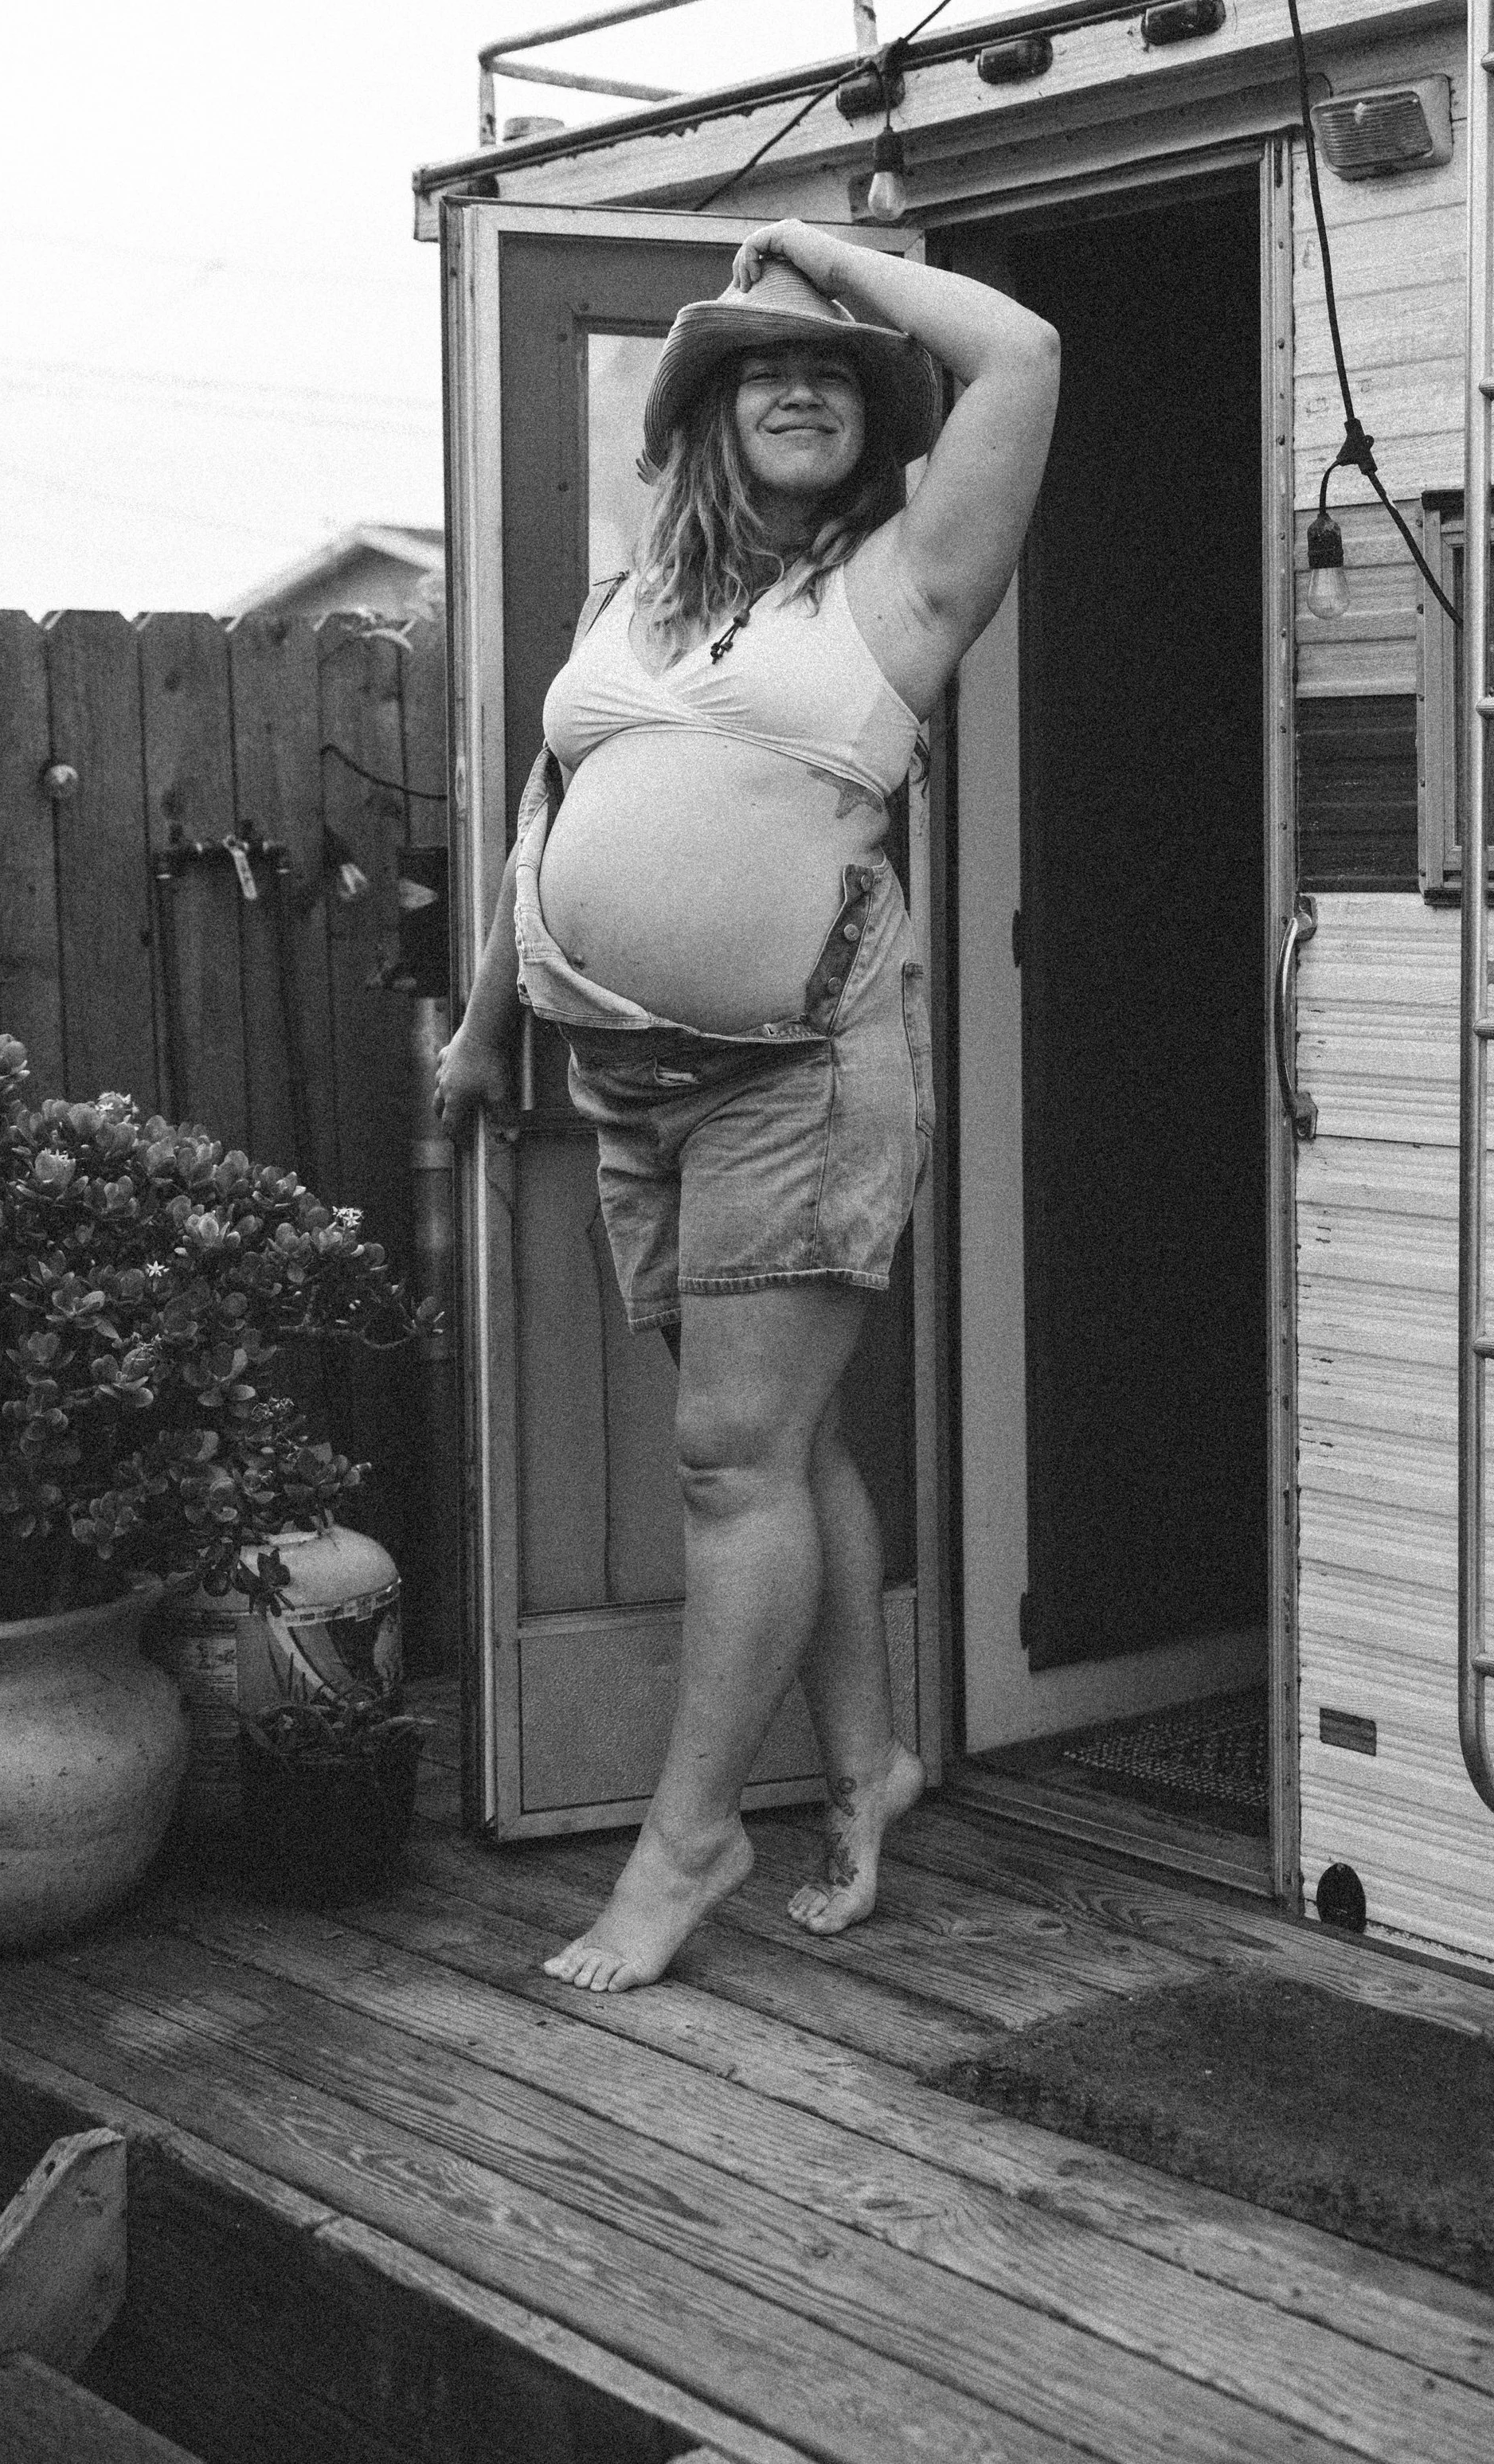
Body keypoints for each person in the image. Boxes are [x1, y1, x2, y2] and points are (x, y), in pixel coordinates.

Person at [435, 217, 1059, 1991]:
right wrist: (490, 1028)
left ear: (874, 415)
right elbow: (554, 816)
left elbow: (1018, 353)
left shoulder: (903, 584)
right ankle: (865, 1759)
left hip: (804, 1075)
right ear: (703, 412)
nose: (800, 382)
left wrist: (809, 253)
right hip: (627, 1087)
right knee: (784, 1449)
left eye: (836, 370)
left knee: (728, 1460)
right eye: (758, 362)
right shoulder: (626, 600)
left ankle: (684, 1844)